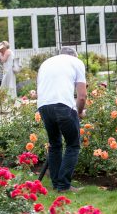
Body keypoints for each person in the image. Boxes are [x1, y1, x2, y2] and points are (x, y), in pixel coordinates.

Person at [37, 46, 87, 192]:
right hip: (63, 106)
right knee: (73, 144)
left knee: (55, 145)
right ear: (74, 56)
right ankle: (64, 186)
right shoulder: (76, 62)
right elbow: (82, 96)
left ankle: (56, 184)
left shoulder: (46, 63)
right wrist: (78, 112)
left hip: (44, 106)